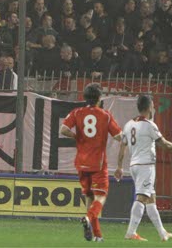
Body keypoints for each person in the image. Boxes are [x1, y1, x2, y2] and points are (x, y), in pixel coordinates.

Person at [114, 94, 172, 241]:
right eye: (152, 104)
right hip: (145, 166)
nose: (154, 106)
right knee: (141, 197)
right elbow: (164, 144)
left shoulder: (129, 124)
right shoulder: (149, 125)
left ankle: (162, 233)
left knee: (151, 199)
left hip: (134, 165)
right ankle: (131, 232)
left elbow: (122, 146)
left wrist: (120, 166)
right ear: (149, 107)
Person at [60, 83, 122, 242]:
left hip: (81, 162)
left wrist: (76, 137)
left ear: (84, 98)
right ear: (99, 98)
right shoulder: (105, 115)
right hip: (98, 163)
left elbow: (63, 130)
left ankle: (97, 235)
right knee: (101, 196)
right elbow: (118, 136)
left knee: (89, 196)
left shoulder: (77, 112)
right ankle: (88, 217)